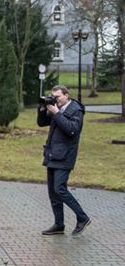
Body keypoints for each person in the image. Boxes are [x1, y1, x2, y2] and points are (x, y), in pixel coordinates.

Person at [38, 85, 90, 236]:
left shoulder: (76, 110)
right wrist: (42, 109)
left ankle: (82, 217)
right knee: (53, 192)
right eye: (53, 96)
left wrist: (56, 113)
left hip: (65, 156)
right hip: (52, 154)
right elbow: (42, 123)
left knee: (59, 188)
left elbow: (72, 130)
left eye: (58, 96)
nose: (56, 99)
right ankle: (59, 224)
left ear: (67, 95)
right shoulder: (57, 107)